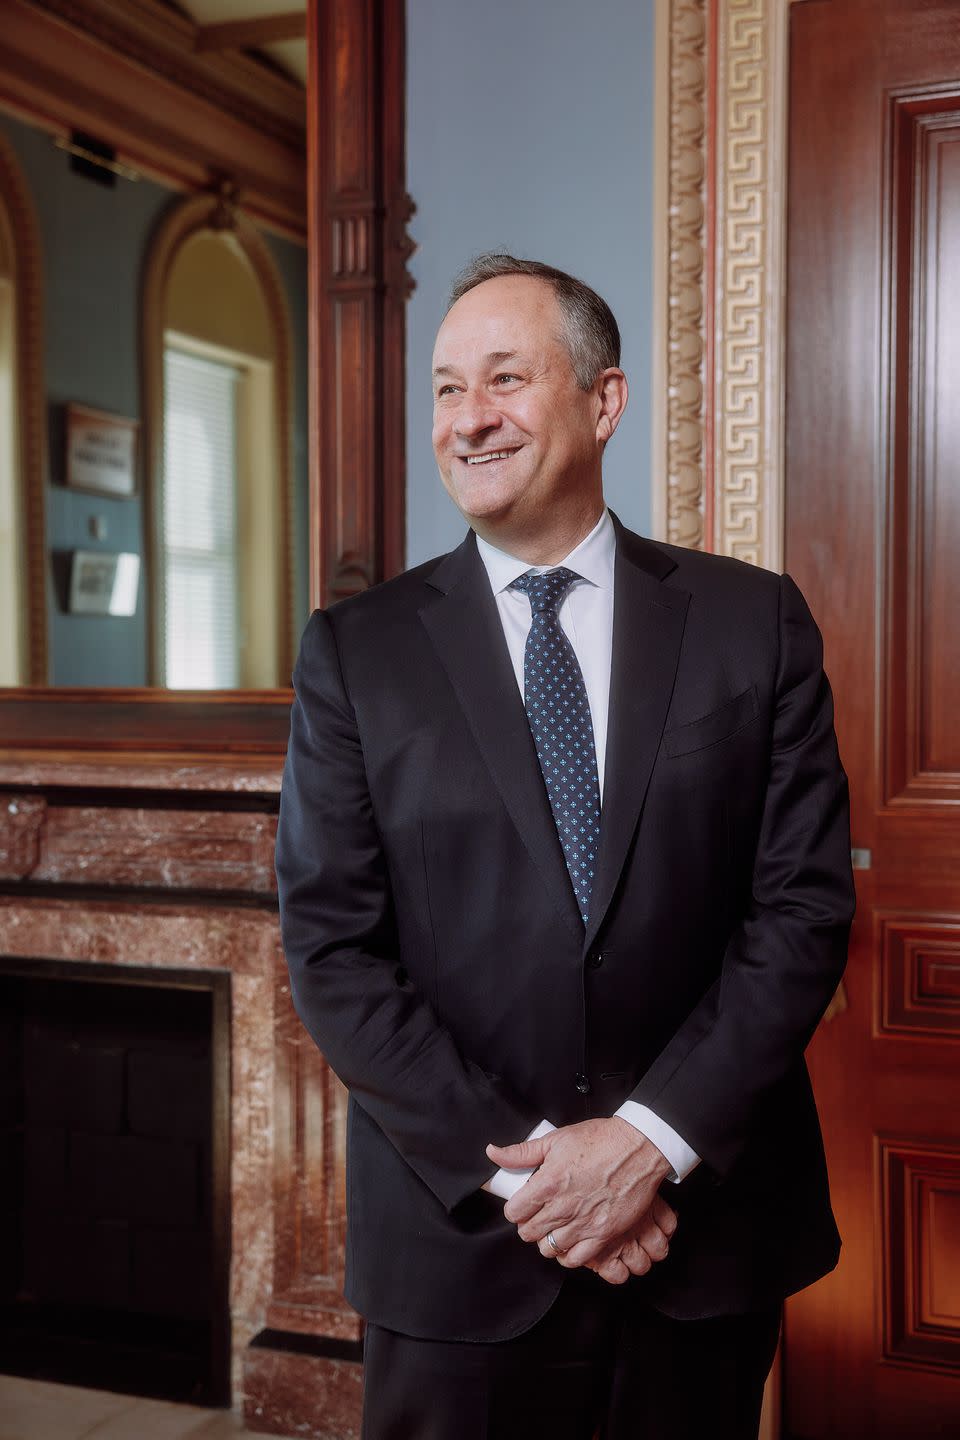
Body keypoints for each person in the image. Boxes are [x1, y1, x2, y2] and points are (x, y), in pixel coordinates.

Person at [275, 254, 855, 1440]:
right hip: (463, 1250)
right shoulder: (356, 652)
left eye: (503, 378)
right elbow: (333, 950)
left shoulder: (753, 621)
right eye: (445, 388)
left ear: (604, 401)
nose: (467, 418)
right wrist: (542, 1177)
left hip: (699, 1239)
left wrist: (648, 1144)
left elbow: (799, 911)